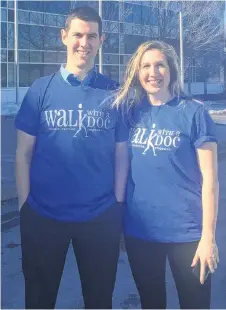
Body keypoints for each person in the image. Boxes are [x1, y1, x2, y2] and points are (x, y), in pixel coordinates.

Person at [15, 6, 129, 309]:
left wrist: (117, 204)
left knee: (99, 299)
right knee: (38, 299)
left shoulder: (113, 92)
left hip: (99, 217)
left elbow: (121, 153)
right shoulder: (41, 90)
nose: (84, 42)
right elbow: (23, 153)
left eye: (92, 35)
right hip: (43, 216)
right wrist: (25, 206)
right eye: (78, 34)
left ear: (101, 40)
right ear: (64, 37)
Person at [114, 41, 219, 309]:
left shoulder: (194, 112)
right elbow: (123, 168)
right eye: (146, 66)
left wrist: (208, 238)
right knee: (151, 304)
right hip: (141, 231)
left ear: (171, 69)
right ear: (137, 73)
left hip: (187, 234)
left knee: (195, 304)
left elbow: (210, 180)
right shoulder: (132, 112)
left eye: (160, 64)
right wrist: (120, 220)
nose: (153, 72)